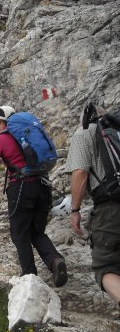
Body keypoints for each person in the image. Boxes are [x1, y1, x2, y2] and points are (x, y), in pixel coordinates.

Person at [0, 106, 68, 287]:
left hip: (21, 187)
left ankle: (29, 275)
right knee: (37, 232)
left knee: (19, 233)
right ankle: (55, 261)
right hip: (43, 185)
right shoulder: (27, 134)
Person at [66, 104, 120, 307]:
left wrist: (75, 210)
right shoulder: (117, 132)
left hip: (110, 209)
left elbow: (80, 172)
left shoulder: (85, 133)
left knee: (105, 267)